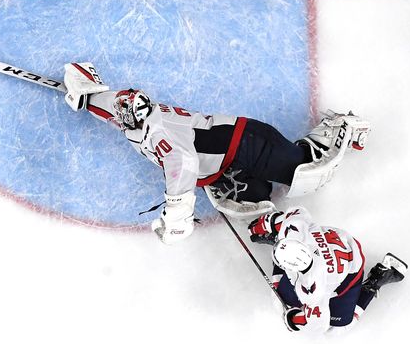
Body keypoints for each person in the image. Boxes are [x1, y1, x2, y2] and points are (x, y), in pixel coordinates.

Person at [60, 62, 370, 244]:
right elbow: (101, 98)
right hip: (230, 166)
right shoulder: (127, 112)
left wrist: (177, 215)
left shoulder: (156, 131)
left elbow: (182, 161)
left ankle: (338, 127)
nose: (123, 117)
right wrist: (83, 94)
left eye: (128, 115)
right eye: (122, 113)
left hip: (249, 143)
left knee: (303, 172)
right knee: (258, 200)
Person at [248, 206, 407, 333]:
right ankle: (277, 243)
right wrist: (267, 223)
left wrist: (292, 319)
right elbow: (296, 213)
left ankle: (374, 282)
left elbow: (317, 323)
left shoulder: (312, 287)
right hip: (341, 243)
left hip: (349, 274)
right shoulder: (295, 230)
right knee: (282, 293)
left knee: (340, 327)